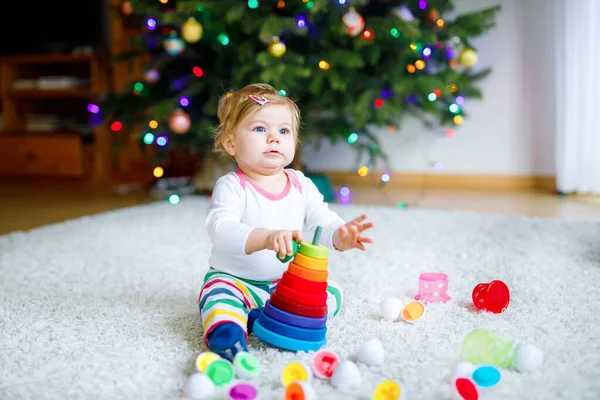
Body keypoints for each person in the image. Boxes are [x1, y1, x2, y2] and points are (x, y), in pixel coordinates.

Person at [199, 83, 374, 361]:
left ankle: (276, 317)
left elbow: (322, 222)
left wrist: (341, 236)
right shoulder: (232, 186)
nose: (274, 138)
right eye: (259, 129)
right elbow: (221, 230)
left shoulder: (300, 184)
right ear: (231, 142)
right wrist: (266, 237)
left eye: (284, 131)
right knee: (219, 299)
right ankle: (229, 338)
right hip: (236, 280)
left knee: (332, 291)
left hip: (285, 284)